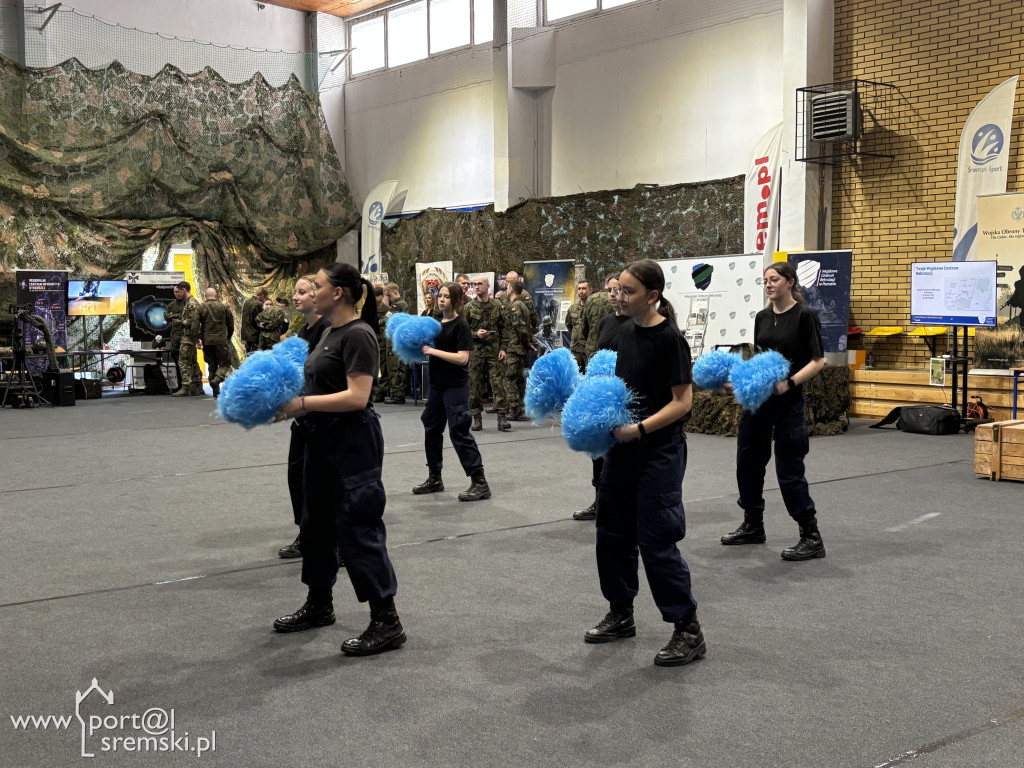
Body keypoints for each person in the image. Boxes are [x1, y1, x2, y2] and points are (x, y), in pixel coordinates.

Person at [273, 263, 405, 657]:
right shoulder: (326, 332)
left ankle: (387, 621)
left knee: (358, 528)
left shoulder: (359, 334)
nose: (310, 291)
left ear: (340, 293)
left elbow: (357, 397)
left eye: (317, 286)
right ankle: (319, 604)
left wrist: (300, 403)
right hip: (319, 439)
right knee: (315, 527)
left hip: (352, 442)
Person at [586, 259, 705, 668]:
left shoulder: (670, 339)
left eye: (628, 291)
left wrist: (640, 428)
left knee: (656, 539)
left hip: (659, 451)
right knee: (612, 531)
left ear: (652, 296)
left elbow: (683, 402)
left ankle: (687, 630)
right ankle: (621, 612)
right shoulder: (622, 331)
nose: (619, 296)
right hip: (622, 450)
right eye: (617, 289)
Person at [720, 261, 827, 561]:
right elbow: (758, 359)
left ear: (790, 282)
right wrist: (739, 382)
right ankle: (753, 524)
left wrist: (789, 383)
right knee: (748, 461)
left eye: (774, 279)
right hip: (759, 400)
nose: (768, 284)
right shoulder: (762, 317)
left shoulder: (805, 316)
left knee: (789, 470)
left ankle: (811, 536)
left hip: (789, 402)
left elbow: (818, 361)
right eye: (765, 280)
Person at [412, 283, 491, 502]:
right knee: (431, 427)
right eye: (440, 296)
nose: (441, 300)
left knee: (459, 431)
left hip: (456, 386)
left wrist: (433, 351)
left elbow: (462, 358)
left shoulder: (461, 325)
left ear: (456, 300)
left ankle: (480, 482)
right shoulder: (437, 324)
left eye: (447, 297)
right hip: (437, 386)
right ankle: (435, 477)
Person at [278, 275, 332, 561]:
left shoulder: (327, 329)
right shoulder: (303, 331)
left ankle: (333, 540)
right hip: (303, 414)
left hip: (321, 415)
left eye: (303, 292)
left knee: (319, 481)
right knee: (296, 476)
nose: (296, 297)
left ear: (317, 295)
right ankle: (307, 532)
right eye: (295, 292)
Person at [573, 275, 627, 521]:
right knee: (598, 450)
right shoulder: (605, 322)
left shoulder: (634, 323)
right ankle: (599, 501)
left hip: (624, 395)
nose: (613, 294)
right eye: (609, 290)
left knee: (621, 453)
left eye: (617, 289)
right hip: (602, 394)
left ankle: (621, 503)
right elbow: (596, 350)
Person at [465, 276, 509, 432]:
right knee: (474, 385)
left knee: (498, 384)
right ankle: (476, 417)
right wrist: (476, 334)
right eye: (474, 284)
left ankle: (502, 417)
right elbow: (464, 332)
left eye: (479, 284)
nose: (476, 286)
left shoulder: (497, 306)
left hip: (494, 351)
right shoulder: (469, 308)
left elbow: (504, 329)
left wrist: (503, 348)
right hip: (476, 352)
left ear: (487, 286)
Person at [501, 279, 532, 421]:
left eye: (507, 287)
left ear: (511, 289)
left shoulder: (515, 307)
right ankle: (519, 408)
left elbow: (520, 328)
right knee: (519, 379)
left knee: (509, 379)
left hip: (515, 348)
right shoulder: (524, 306)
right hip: (521, 349)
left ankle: (514, 409)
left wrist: (526, 343)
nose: (506, 290)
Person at [197, 287, 234, 397]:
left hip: (207, 341)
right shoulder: (223, 306)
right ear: (216, 295)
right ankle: (217, 380)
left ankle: (215, 391)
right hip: (221, 340)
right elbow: (230, 325)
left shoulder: (201, 307)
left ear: (205, 296)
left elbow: (195, 324)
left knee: (211, 365)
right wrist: (228, 337)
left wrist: (198, 338)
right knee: (225, 363)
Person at [169, 281, 203, 397]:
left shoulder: (191, 304)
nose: (178, 293)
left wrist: (181, 322)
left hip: (188, 337)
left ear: (184, 290)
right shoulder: (188, 302)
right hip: (190, 337)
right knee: (193, 362)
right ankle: (197, 386)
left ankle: (186, 388)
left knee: (183, 361)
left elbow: (195, 322)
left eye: (179, 290)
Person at [580, 274, 616, 360]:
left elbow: (583, 327)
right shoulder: (615, 299)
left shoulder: (591, 299)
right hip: (610, 347)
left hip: (591, 346)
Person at [384, 283, 409, 404]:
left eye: (389, 295)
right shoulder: (396, 305)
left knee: (397, 367)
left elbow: (387, 319)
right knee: (392, 366)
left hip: (397, 339)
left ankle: (398, 394)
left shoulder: (400, 305)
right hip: (393, 339)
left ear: (395, 292)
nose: (389, 298)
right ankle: (395, 393)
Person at [565, 279, 591, 373]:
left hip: (589, 350)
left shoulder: (594, 309)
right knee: (576, 376)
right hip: (576, 350)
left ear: (590, 290)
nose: (581, 291)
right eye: (579, 288)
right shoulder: (573, 309)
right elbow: (569, 325)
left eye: (584, 288)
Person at [165, 288, 185, 393]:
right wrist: (175, 316)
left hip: (186, 338)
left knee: (188, 362)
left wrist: (174, 315)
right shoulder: (172, 304)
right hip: (175, 338)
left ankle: (193, 386)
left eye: (179, 292)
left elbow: (188, 316)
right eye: (175, 292)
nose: (177, 294)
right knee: (177, 363)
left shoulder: (188, 303)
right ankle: (180, 385)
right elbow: (166, 315)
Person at [372, 286, 390, 403]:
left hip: (382, 341)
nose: (377, 298)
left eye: (379, 295)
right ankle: (372, 390)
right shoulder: (370, 309)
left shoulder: (387, 310)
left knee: (383, 368)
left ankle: (381, 392)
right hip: (372, 341)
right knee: (373, 367)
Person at [240, 287, 268, 353]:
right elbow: (259, 321)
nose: (264, 300)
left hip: (246, 334)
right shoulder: (257, 304)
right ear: (263, 295)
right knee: (254, 356)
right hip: (254, 335)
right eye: (265, 297)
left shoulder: (246, 302)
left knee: (248, 354)